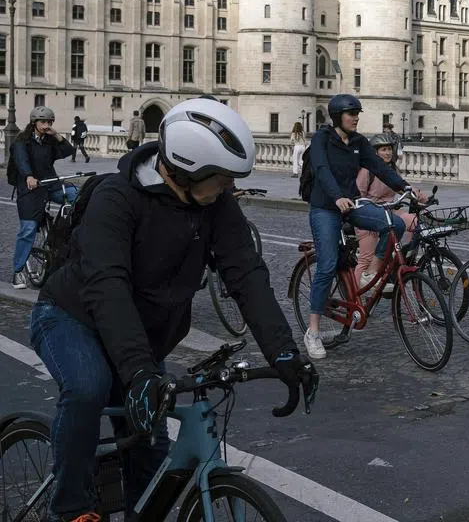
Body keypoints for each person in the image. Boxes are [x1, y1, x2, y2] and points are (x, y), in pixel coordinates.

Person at [27, 98, 317, 522]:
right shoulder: (117, 197)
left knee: (150, 450)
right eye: (221, 179)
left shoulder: (214, 204)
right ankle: (72, 508)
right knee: (88, 388)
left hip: (141, 334)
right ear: (185, 169)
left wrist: (284, 353)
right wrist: (141, 371)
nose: (228, 189)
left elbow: (247, 277)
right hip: (73, 317)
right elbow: (108, 288)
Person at [305, 94, 426, 360]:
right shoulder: (322, 139)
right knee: (326, 265)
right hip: (326, 206)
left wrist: (407, 188)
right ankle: (312, 332)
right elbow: (322, 169)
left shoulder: (359, 142)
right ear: (338, 116)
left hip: (352, 204)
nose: (356, 117)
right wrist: (336, 196)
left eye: (358, 113)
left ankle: (370, 275)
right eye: (351, 113)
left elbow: (381, 169)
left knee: (393, 223)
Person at [11, 106, 77, 290]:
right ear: (34, 123)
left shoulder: (49, 141)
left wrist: (56, 134)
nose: (47, 125)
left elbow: (69, 150)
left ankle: (61, 233)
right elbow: (21, 160)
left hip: (50, 184)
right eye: (43, 122)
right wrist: (28, 176)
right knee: (28, 229)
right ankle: (18, 271)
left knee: (77, 197)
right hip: (30, 188)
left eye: (49, 122)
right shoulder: (21, 142)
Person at [353, 131, 417, 288]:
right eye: (383, 150)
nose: (388, 153)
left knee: (413, 221)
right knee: (366, 258)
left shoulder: (392, 170)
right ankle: (354, 298)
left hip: (389, 213)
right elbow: (356, 195)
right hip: (368, 215)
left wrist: (420, 197)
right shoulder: (367, 170)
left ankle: (405, 254)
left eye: (389, 149)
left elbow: (403, 187)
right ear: (375, 152)